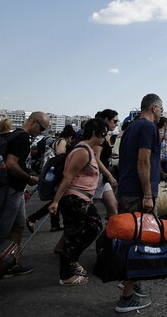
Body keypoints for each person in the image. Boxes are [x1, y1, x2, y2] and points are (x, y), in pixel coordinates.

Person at [0, 112, 50, 275]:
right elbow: (11, 165)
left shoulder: (13, 135)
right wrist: (29, 178)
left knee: (18, 226)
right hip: (7, 191)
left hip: (15, 191)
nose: (41, 133)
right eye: (41, 128)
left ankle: (11, 263)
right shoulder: (21, 138)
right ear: (33, 122)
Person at [115, 93, 164, 313]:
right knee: (137, 242)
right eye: (161, 109)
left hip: (127, 190)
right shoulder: (148, 127)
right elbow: (143, 159)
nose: (162, 113)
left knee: (129, 239)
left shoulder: (131, 128)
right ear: (154, 108)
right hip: (137, 193)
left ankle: (131, 283)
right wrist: (147, 194)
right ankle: (126, 297)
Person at [48, 119, 106, 285]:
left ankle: (72, 260)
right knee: (73, 236)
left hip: (82, 199)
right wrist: (56, 201)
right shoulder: (82, 151)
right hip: (74, 198)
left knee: (94, 226)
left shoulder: (88, 149)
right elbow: (68, 177)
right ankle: (66, 276)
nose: (104, 137)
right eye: (103, 133)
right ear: (95, 132)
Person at [26, 125, 77, 234]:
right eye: (72, 140)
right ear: (70, 137)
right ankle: (33, 218)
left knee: (56, 198)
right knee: (57, 199)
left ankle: (55, 224)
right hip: (53, 173)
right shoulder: (62, 141)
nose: (70, 143)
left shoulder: (57, 140)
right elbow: (60, 155)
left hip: (50, 171)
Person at [93, 109, 120, 218]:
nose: (116, 124)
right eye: (114, 121)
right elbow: (95, 158)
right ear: (106, 120)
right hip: (96, 177)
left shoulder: (105, 136)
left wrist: (110, 154)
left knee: (113, 207)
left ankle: (111, 233)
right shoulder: (100, 136)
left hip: (102, 177)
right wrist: (110, 176)